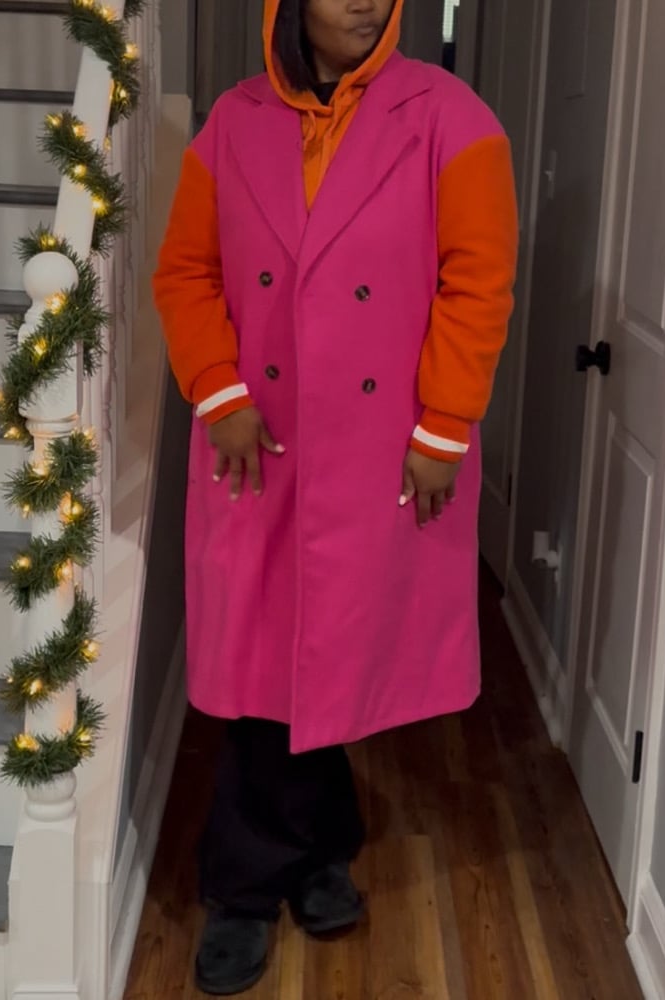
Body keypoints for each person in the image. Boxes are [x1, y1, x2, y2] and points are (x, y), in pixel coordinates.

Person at [152, 0, 518, 993]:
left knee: (320, 656)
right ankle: (261, 878)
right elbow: (185, 272)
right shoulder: (231, 123)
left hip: (379, 450)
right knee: (259, 665)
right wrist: (218, 392)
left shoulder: (451, 118)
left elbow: (476, 284)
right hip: (256, 443)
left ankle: (295, 860)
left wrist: (443, 427)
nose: (365, 1)